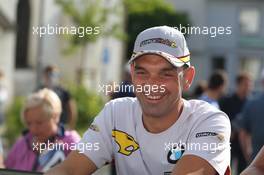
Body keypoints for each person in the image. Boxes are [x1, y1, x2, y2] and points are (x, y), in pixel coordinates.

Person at [45, 26, 231, 175]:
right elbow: (69, 170)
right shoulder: (115, 113)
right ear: (132, 74)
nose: (152, 85)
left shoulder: (209, 121)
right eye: (143, 73)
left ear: (188, 77)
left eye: (165, 74)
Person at [5, 88, 80, 172]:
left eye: (39, 123)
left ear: (55, 117)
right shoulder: (22, 144)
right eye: (29, 123)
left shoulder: (71, 142)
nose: (33, 129)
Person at [219, 72, 252, 174]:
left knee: (244, 169)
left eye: (250, 85)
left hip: (245, 143)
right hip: (229, 141)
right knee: (227, 168)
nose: (248, 88)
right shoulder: (227, 101)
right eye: (245, 85)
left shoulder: (251, 103)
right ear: (238, 85)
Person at [237, 69, 264, 163]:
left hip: (257, 162)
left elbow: (243, 134)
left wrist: (249, 158)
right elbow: (243, 133)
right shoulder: (251, 103)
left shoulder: (251, 103)